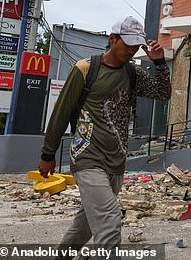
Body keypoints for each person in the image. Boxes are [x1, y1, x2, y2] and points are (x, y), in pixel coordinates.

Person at [38, 16, 171, 256]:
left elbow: (162, 93)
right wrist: (48, 153)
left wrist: (160, 64)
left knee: (86, 224)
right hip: (87, 157)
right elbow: (61, 112)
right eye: (127, 44)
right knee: (109, 221)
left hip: (116, 161)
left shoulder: (133, 73)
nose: (131, 50)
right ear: (112, 39)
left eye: (135, 46)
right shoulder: (86, 69)